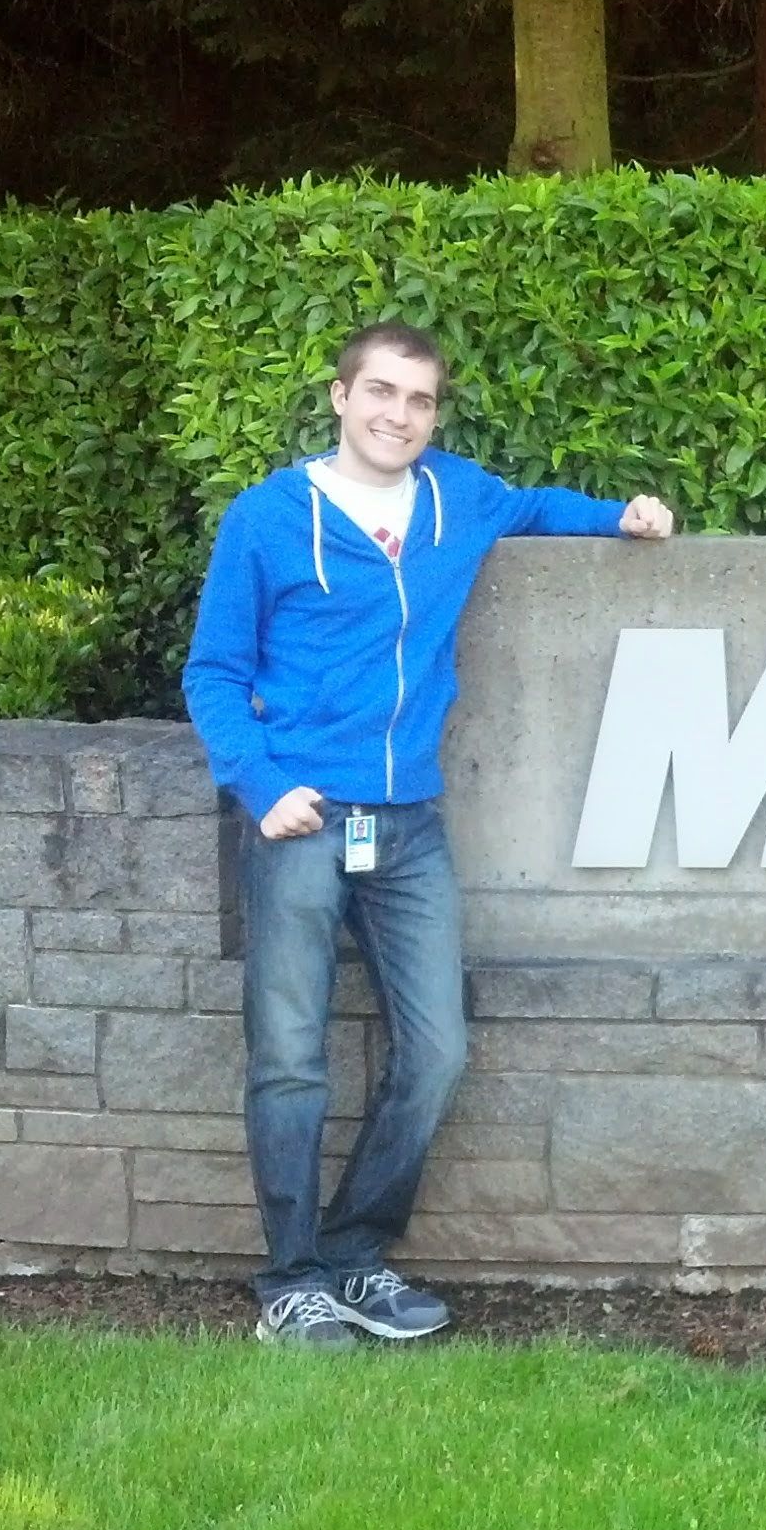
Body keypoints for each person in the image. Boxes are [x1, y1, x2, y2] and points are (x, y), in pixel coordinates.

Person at [182, 319, 676, 1348]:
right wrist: (261, 784)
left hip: (406, 827)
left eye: (418, 400)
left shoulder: (459, 497)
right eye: (381, 394)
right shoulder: (269, 519)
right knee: (289, 1057)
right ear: (340, 397)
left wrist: (621, 516)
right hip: (303, 821)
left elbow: (539, 506)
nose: (398, 415)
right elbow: (214, 673)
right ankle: (290, 1283)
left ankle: (355, 1253)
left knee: (439, 1048)